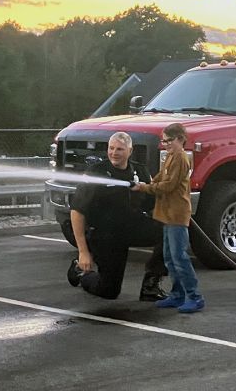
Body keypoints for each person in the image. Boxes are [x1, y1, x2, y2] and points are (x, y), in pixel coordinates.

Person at [67, 131, 167, 300]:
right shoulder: (96, 172)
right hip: (106, 234)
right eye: (111, 148)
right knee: (109, 291)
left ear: (130, 150)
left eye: (119, 149)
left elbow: (152, 205)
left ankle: (151, 284)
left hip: (132, 226)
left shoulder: (140, 171)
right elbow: (77, 211)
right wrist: (83, 252)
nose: (114, 153)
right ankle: (80, 273)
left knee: (170, 231)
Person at [132, 123, 205, 313]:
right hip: (166, 214)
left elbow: (169, 186)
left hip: (176, 215)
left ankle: (195, 297)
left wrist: (144, 188)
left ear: (180, 139)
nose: (165, 144)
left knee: (180, 258)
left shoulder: (181, 157)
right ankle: (177, 295)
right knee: (169, 258)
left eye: (169, 140)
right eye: (163, 140)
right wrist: (148, 182)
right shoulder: (171, 156)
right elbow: (160, 177)